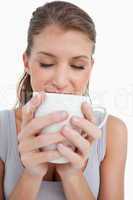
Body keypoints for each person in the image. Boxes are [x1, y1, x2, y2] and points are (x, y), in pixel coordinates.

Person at [0, 1, 127, 200]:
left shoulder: (112, 132)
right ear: (27, 62)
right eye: (47, 63)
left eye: (77, 66)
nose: (60, 81)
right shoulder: (2, 129)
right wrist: (32, 174)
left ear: (90, 69)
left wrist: (71, 173)